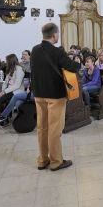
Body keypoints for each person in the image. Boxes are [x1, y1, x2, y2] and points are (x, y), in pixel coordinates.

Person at [31, 23, 80, 171]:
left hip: (39, 94)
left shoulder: (35, 50)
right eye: (58, 34)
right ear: (54, 35)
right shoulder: (57, 52)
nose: (58, 36)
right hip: (55, 95)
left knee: (42, 128)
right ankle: (56, 161)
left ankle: (42, 160)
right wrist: (77, 63)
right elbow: (72, 67)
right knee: (54, 129)